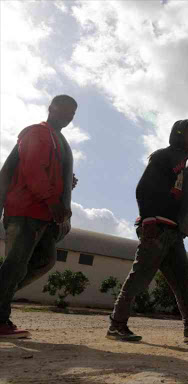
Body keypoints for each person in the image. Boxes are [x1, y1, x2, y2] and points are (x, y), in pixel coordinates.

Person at [106, 119, 188, 343]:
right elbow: (143, 189)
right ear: (177, 134)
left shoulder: (182, 163)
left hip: (173, 231)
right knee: (140, 277)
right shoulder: (163, 156)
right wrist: (148, 218)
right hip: (156, 227)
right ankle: (116, 325)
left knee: (183, 279)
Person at [0, 95, 78, 339]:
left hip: (43, 215)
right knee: (15, 265)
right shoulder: (38, 132)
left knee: (44, 259)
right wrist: (53, 199)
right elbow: (33, 168)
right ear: (51, 108)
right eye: (63, 110)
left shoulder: (59, 140)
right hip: (25, 211)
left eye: (71, 113)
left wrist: (66, 184)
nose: (67, 116)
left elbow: (47, 171)